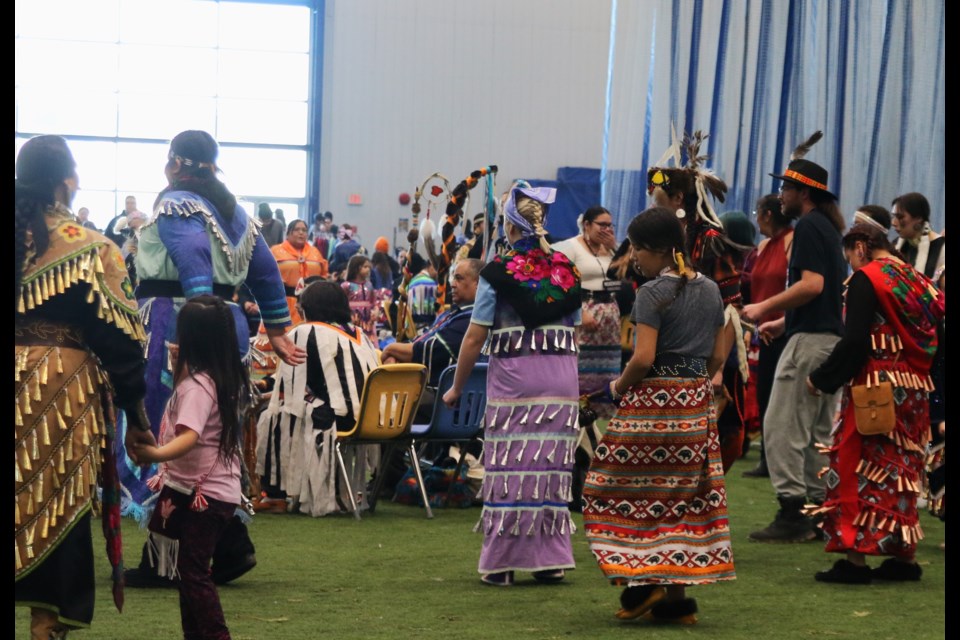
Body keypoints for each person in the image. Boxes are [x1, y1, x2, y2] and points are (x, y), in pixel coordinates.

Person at [124, 130, 306, 588]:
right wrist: (279, 331)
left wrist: (193, 330)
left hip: (180, 326)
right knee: (215, 437)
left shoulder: (176, 205)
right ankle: (229, 545)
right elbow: (266, 273)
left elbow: (192, 258)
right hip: (228, 330)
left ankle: (166, 559)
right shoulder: (238, 215)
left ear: (173, 164)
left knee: (171, 433)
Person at [15, 135, 151, 638]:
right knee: (58, 505)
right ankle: (45, 625)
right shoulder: (90, 247)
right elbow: (120, 346)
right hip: (59, 391)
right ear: (65, 182)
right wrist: (137, 420)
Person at [582, 207, 734, 625]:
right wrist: (692, 385)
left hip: (653, 404)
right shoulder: (710, 289)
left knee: (618, 489)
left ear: (661, 252)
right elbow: (719, 354)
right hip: (696, 405)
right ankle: (676, 603)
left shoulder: (652, 293)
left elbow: (644, 357)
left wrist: (617, 387)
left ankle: (644, 583)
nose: (633, 258)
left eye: (638, 250)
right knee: (680, 499)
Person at [442, 185, 582, 587]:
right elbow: (577, 325)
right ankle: (549, 561)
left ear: (508, 225)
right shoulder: (564, 268)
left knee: (511, 465)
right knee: (550, 467)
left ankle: (502, 564)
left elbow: (474, 336)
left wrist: (456, 387)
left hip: (516, 381)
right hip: (560, 381)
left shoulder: (496, 272)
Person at [805, 222, 943, 583]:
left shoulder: (870, 278)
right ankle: (903, 557)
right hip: (913, 388)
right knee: (902, 469)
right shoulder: (913, 278)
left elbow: (854, 341)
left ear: (861, 247)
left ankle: (855, 560)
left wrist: (822, 378)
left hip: (874, 387)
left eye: (850, 254)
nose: (850, 263)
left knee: (855, 462)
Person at [740, 131, 848, 543]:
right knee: (818, 430)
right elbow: (825, 294)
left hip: (810, 345)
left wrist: (764, 307)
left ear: (802, 193)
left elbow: (813, 285)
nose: (780, 195)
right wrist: (784, 324)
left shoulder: (807, 230)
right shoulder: (827, 230)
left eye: (785, 187)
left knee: (782, 425)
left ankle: (792, 512)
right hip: (826, 340)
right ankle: (819, 511)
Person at [131, 296, 251, 639]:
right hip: (208, 491)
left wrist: (154, 455)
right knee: (189, 571)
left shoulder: (198, 387)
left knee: (193, 571)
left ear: (191, 341)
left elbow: (190, 437)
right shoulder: (219, 378)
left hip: (204, 495)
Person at [255, 281, 382, 516]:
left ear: (310, 308)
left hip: (336, 419)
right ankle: (330, 487)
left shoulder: (306, 331)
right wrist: (265, 383)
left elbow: (289, 382)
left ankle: (275, 495)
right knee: (293, 407)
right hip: (370, 417)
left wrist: (262, 389)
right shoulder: (359, 333)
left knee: (272, 415)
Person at [741, 194, 795, 479]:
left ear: (768, 215)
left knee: (782, 397)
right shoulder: (762, 246)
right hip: (762, 332)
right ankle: (766, 456)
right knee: (763, 395)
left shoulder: (791, 241)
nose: (756, 217)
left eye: (757, 212)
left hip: (785, 329)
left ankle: (783, 459)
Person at [551, 206, 621, 419]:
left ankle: (603, 419)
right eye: (602, 225)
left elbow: (627, 274)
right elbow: (555, 283)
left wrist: (616, 248)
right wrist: (578, 312)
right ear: (587, 225)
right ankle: (575, 415)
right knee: (579, 370)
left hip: (610, 319)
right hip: (583, 312)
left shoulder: (612, 248)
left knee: (607, 372)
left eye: (610, 225)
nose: (606, 229)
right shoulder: (569, 247)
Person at [270, 218, 329, 325]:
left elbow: (323, 275)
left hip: (312, 305)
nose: (301, 233)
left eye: (304, 230)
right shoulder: (275, 251)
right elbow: (265, 275)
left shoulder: (315, 252)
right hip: (283, 302)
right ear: (288, 233)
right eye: (297, 229)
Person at [891, 192, 944, 279]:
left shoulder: (941, 247)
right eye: (893, 217)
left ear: (919, 218)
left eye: (900, 217)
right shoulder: (896, 245)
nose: (893, 223)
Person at [341, 254, 385, 342]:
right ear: (356, 268)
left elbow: (374, 301)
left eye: (369, 267)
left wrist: (376, 310)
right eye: (365, 267)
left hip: (368, 323)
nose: (368, 269)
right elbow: (341, 304)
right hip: (352, 322)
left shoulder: (369, 285)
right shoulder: (346, 286)